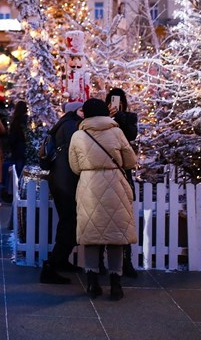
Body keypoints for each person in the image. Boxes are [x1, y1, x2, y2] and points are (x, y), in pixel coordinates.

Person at [69, 98, 137, 301]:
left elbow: (74, 166)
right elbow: (130, 160)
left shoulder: (78, 135)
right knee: (116, 235)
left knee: (91, 235)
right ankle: (116, 284)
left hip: (89, 184)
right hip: (115, 183)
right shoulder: (116, 132)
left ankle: (92, 283)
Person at [41, 101, 84, 284]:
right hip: (66, 181)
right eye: (82, 109)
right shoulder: (71, 126)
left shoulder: (63, 124)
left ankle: (61, 260)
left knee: (67, 222)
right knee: (70, 222)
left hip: (59, 178)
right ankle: (51, 266)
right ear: (75, 111)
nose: (85, 112)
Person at [105, 88, 139, 278]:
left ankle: (127, 261)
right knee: (102, 218)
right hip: (104, 170)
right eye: (110, 101)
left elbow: (131, 135)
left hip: (123, 171)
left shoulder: (130, 117)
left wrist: (121, 117)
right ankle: (101, 262)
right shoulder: (101, 119)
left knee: (124, 218)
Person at [5, 100, 28, 202]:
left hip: (16, 148)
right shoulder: (25, 120)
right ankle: (18, 190)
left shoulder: (14, 120)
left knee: (16, 170)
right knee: (19, 169)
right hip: (21, 148)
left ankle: (13, 190)